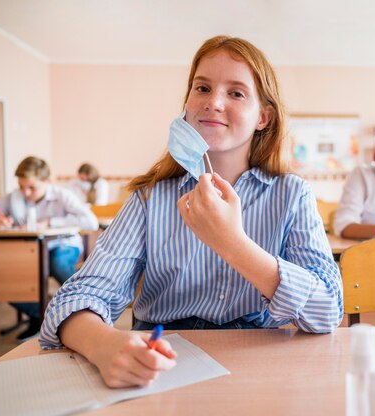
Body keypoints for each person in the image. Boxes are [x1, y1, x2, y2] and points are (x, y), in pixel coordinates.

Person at [39, 35, 343, 388]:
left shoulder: (293, 194)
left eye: (236, 93)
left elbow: (327, 312)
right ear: (186, 103)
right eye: (202, 88)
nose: (213, 102)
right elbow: (76, 298)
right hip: (164, 361)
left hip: (259, 365)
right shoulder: (148, 199)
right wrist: (105, 345)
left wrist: (233, 243)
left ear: (263, 117)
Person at [0, 156, 99, 339]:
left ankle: (89, 305)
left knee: (57, 264)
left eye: (32, 187)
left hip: (63, 245)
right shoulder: (13, 198)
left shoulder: (62, 195)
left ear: (48, 182)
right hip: (29, 251)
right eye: (22, 187)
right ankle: (43, 316)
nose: (26, 193)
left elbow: (91, 222)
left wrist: (49, 222)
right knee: (5, 279)